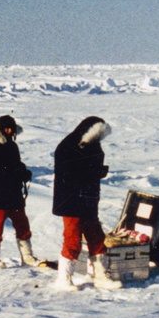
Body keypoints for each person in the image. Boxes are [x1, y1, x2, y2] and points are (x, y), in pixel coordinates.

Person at [51, 116, 122, 290]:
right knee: (73, 238)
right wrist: (92, 171)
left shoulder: (93, 145)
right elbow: (69, 172)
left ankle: (100, 275)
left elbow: (89, 169)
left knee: (96, 237)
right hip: (71, 200)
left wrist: (97, 171)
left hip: (88, 199)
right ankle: (63, 279)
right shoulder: (68, 146)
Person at [0, 115, 41, 269]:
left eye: (11, 128)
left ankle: (27, 257)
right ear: (0, 129)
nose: (9, 131)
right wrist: (14, 172)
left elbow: (17, 164)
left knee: (23, 224)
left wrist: (23, 171)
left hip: (14, 193)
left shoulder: (12, 146)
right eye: (6, 128)